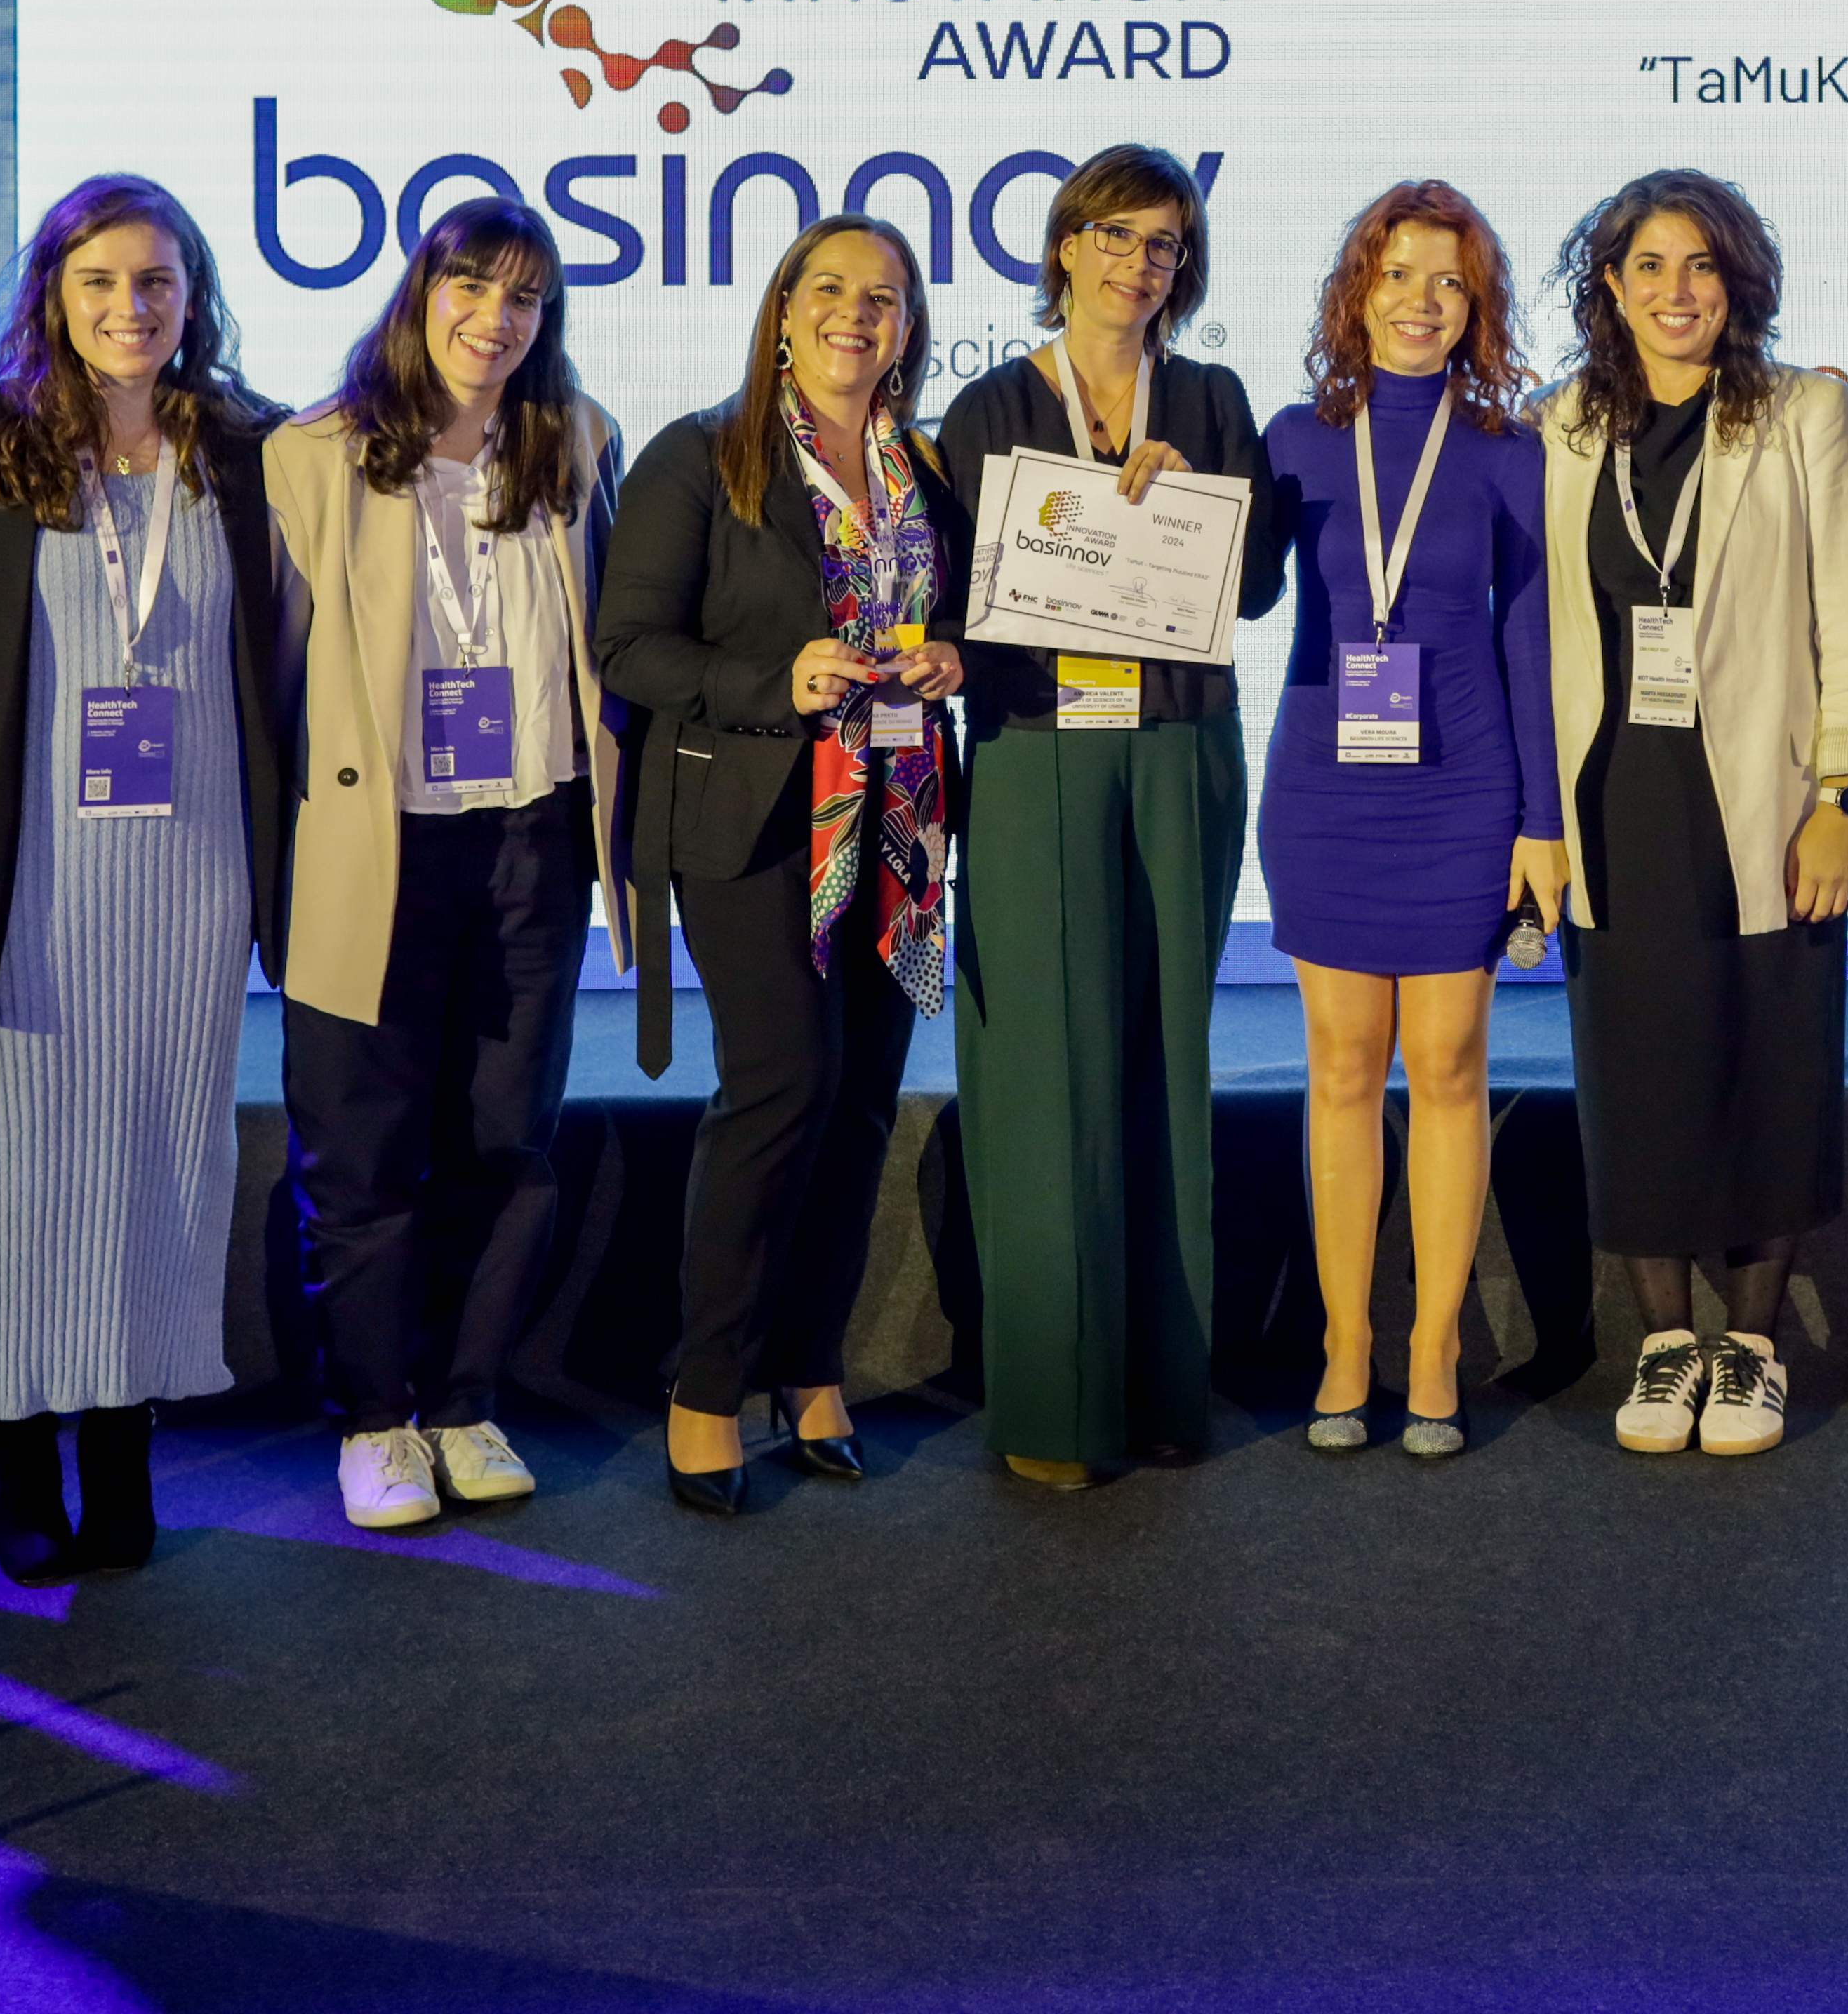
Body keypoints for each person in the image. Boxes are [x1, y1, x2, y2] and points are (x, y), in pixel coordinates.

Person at [0, 175, 293, 1582]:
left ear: (194, 298)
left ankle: (121, 1451)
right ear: (52, 292)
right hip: (24, 873)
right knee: (22, 1181)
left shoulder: (245, 448)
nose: (133, 308)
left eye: (160, 282)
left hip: (190, 876)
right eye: (102, 281)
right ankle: (21, 1455)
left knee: (162, 1167)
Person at [596, 214, 970, 1516]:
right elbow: (630, 646)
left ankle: (811, 1371)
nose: (854, 315)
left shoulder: (922, 468)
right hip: (756, 822)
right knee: (781, 1088)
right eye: (829, 290)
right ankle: (706, 1388)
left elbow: (964, 615)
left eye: (883, 297)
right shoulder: (701, 457)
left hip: (902, 826)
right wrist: (778, 681)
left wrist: (950, 659)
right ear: (781, 309)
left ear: (909, 326)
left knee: (863, 1100)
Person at [265, 199, 627, 1535]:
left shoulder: (579, 444)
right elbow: (276, 681)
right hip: (375, 848)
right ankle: (373, 1419)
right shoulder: (313, 455)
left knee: (505, 1142)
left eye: (525, 298)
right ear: (421, 293)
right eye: (472, 286)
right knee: (361, 1151)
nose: (496, 318)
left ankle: (466, 1403)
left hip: (534, 841)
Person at [1539, 170, 1848, 1460]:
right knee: (1636, 1062)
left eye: (1701, 267)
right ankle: (1662, 1338)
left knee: (1773, 1057)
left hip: (1765, 792)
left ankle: (1748, 1347)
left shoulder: (1804, 412)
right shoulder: (1563, 424)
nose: (1676, 291)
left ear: (1737, 284)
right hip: (1616, 792)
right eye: (1649, 266)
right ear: (1611, 286)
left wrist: (1843, 797)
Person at [934, 143, 1284, 1486]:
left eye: (1166, 246)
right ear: (1065, 246)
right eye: (1119, 236)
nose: (1142, 264)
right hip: (1032, 752)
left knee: (1164, 1064)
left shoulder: (1208, 394)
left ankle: (1160, 1393)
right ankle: (1053, 1413)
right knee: (1041, 1073)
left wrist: (1186, 493)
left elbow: (1251, 588)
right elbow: (959, 594)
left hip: (1182, 749)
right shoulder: (986, 407)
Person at [1253, 183, 1562, 1458]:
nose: (1421, 303)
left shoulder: (1507, 449)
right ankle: (1346, 1344)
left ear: (1475, 304)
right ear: (1357, 290)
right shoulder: (1291, 435)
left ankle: (1433, 1347)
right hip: (1325, 784)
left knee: (1444, 1069)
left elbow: (1533, 641)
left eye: (1448, 282)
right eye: (1397, 277)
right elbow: (1237, 590)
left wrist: (1539, 820)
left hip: (1464, 782)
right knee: (1338, 1068)